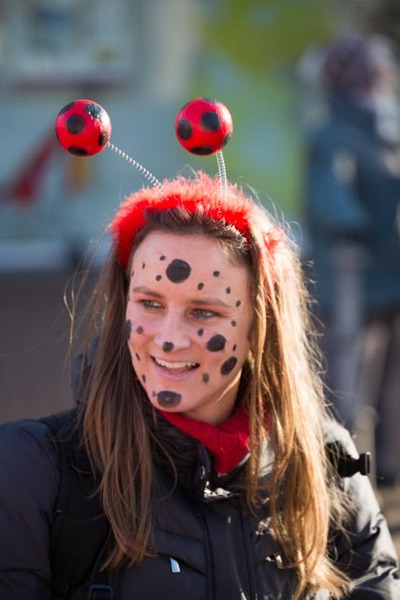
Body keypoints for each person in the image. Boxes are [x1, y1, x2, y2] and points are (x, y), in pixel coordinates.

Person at [0, 169, 399, 599]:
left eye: (204, 312)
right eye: (150, 303)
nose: (168, 338)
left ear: (259, 326)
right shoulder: (35, 467)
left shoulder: (325, 462)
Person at [303, 32, 400, 484]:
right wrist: (351, 222)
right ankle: (345, 472)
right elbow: (331, 191)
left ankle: (389, 467)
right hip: (352, 276)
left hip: (386, 272)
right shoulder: (334, 137)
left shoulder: (387, 133)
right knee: (348, 381)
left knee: (389, 381)